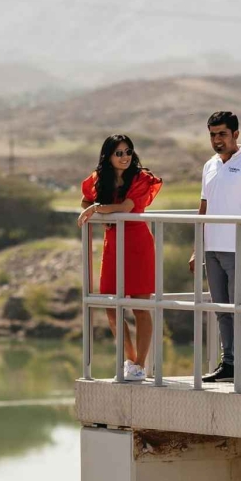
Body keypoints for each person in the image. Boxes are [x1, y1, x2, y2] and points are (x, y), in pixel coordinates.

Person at [189, 110, 241, 384]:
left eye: (222, 134)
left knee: (240, 309)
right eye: (212, 135)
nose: (217, 140)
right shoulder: (210, 165)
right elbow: (204, 207)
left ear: (235, 134)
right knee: (221, 309)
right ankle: (228, 363)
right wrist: (198, 248)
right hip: (212, 249)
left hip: (239, 250)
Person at [79, 134, 163, 381]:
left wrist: (97, 209)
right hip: (113, 244)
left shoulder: (140, 178)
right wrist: (93, 208)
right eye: (119, 153)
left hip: (138, 244)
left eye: (128, 152)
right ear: (108, 156)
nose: (125, 157)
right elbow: (85, 198)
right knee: (112, 308)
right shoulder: (98, 178)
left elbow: (127, 207)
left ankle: (140, 364)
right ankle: (131, 359)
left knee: (141, 307)